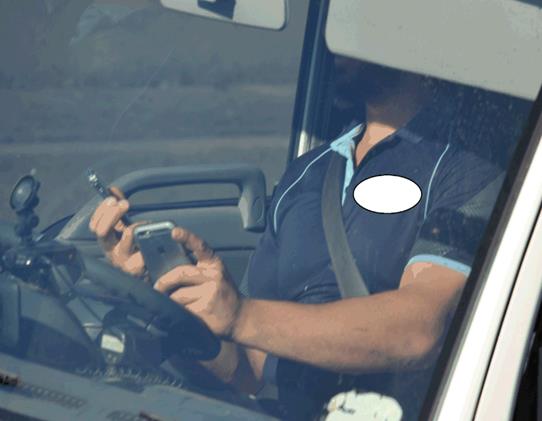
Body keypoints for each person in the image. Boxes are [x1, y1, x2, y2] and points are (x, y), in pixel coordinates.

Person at [89, 57, 502, 420]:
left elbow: (421, 329)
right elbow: (249, 369)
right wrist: (166, 297)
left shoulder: (468, 170)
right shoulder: (306, 174)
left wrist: (243, 316)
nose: (338, 42)